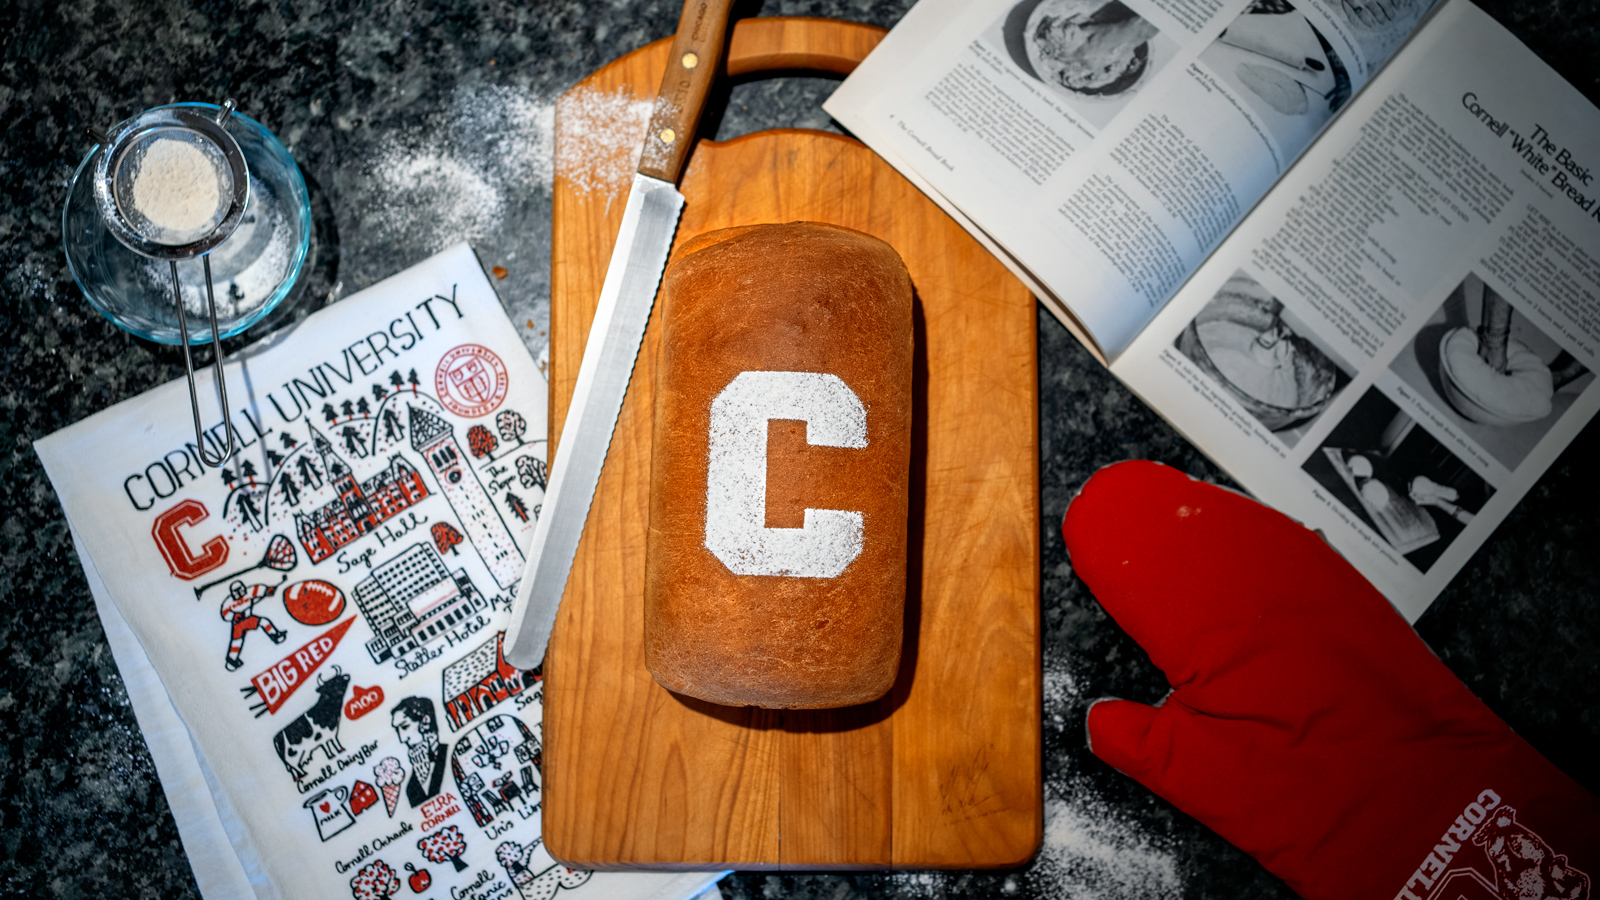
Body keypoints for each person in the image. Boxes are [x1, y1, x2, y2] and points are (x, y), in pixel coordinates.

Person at [391, 696, 450, 807]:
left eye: (405, 727)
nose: (402, 739)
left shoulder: (452, 753)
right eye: (397, 730)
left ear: (425, 721)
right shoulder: (412, 787)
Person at [220, 579, 287, 671]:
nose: (239, 593)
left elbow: (261, 589)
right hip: (238, 624)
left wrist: (267, 591)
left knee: (264, 622)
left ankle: (275, 635)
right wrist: (234, 616)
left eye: (240, 590)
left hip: (248, 619)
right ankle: (232, 660)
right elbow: (224, 613)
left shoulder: (250, 591)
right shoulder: (229, 602)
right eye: (236, 592)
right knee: (236, 642)